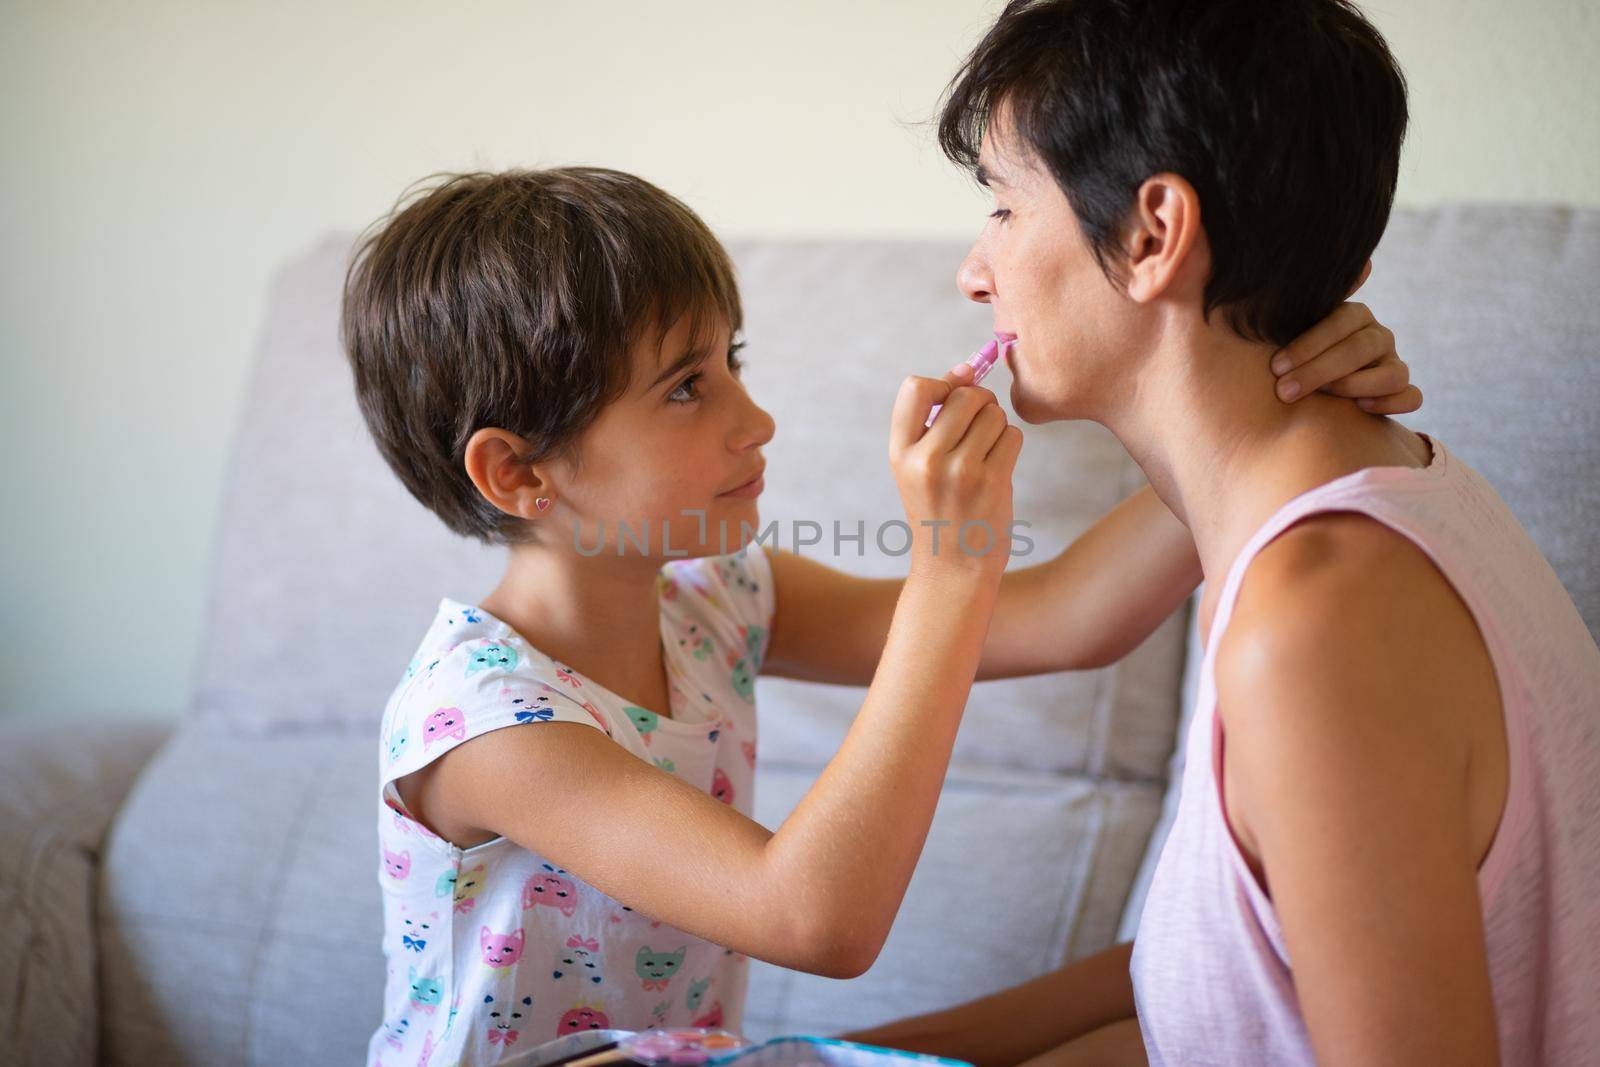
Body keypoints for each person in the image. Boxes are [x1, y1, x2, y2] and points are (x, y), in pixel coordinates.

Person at [341, 164, 1421, 1065]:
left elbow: (1067, 619)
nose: (753, 419)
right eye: (685, 387)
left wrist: (1278, 414)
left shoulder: (716, 601)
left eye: (734, 363)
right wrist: (950, 567)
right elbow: (817, 916)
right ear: (519, 472)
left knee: (1178, 966)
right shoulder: (483, 723)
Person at [845, 1, 1600, 1064]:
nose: (976, 271)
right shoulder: (1368, 493)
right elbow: (1225, 971)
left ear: (1154, 233)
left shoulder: (1318, 622)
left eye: (1005, 209)